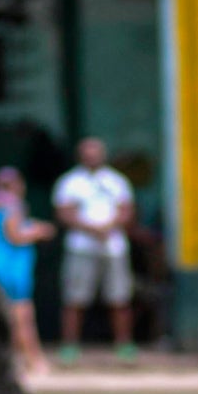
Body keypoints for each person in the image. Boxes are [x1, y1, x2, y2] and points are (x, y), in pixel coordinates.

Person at [53, 137, 137, 362]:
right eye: (87, 153)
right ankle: (70, 347)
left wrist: (109, 226)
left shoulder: (116, 181)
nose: (92, 157)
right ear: (80, 156)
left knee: (119, 298)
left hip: (114, 248)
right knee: (75, 299)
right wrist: (91, 228)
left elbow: (127, 211)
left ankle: (124, 346)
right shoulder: (70, 182)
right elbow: (64, 212)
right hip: (80, 248)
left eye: (95, 153)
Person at [0, 166, 57, 377]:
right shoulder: (13, 205)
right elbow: (15, 235)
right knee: (22, 316)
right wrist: (40, 232)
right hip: (12, 266)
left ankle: (14, 360)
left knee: (7, 314)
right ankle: (33, 360)